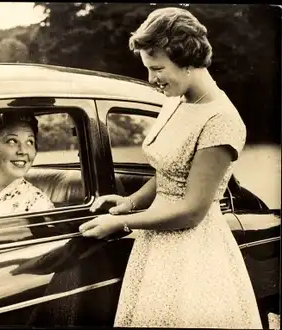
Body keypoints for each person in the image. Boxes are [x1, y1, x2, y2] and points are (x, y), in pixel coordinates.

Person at [79, 7, 262, 328]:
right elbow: (168, 171)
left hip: (193, 253)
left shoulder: (221, 119)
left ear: (189, 61)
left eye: (158, 68)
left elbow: (192, 210)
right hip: (156, 240)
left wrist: (122, 224)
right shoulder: (176, 100)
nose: (152, 79)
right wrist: (130, 202)